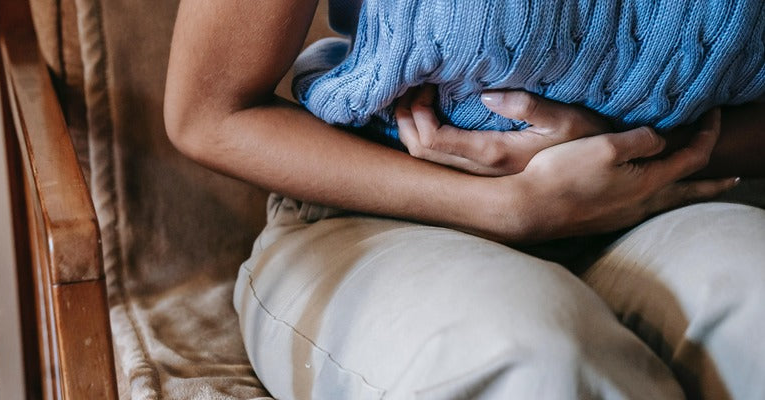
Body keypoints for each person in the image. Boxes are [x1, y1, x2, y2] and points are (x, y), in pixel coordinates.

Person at [164, 1, 765, 399]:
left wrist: (633, 153)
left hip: (662, 199)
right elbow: (208, 114)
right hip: (383, 215)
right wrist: (510, 207)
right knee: (537, 363)